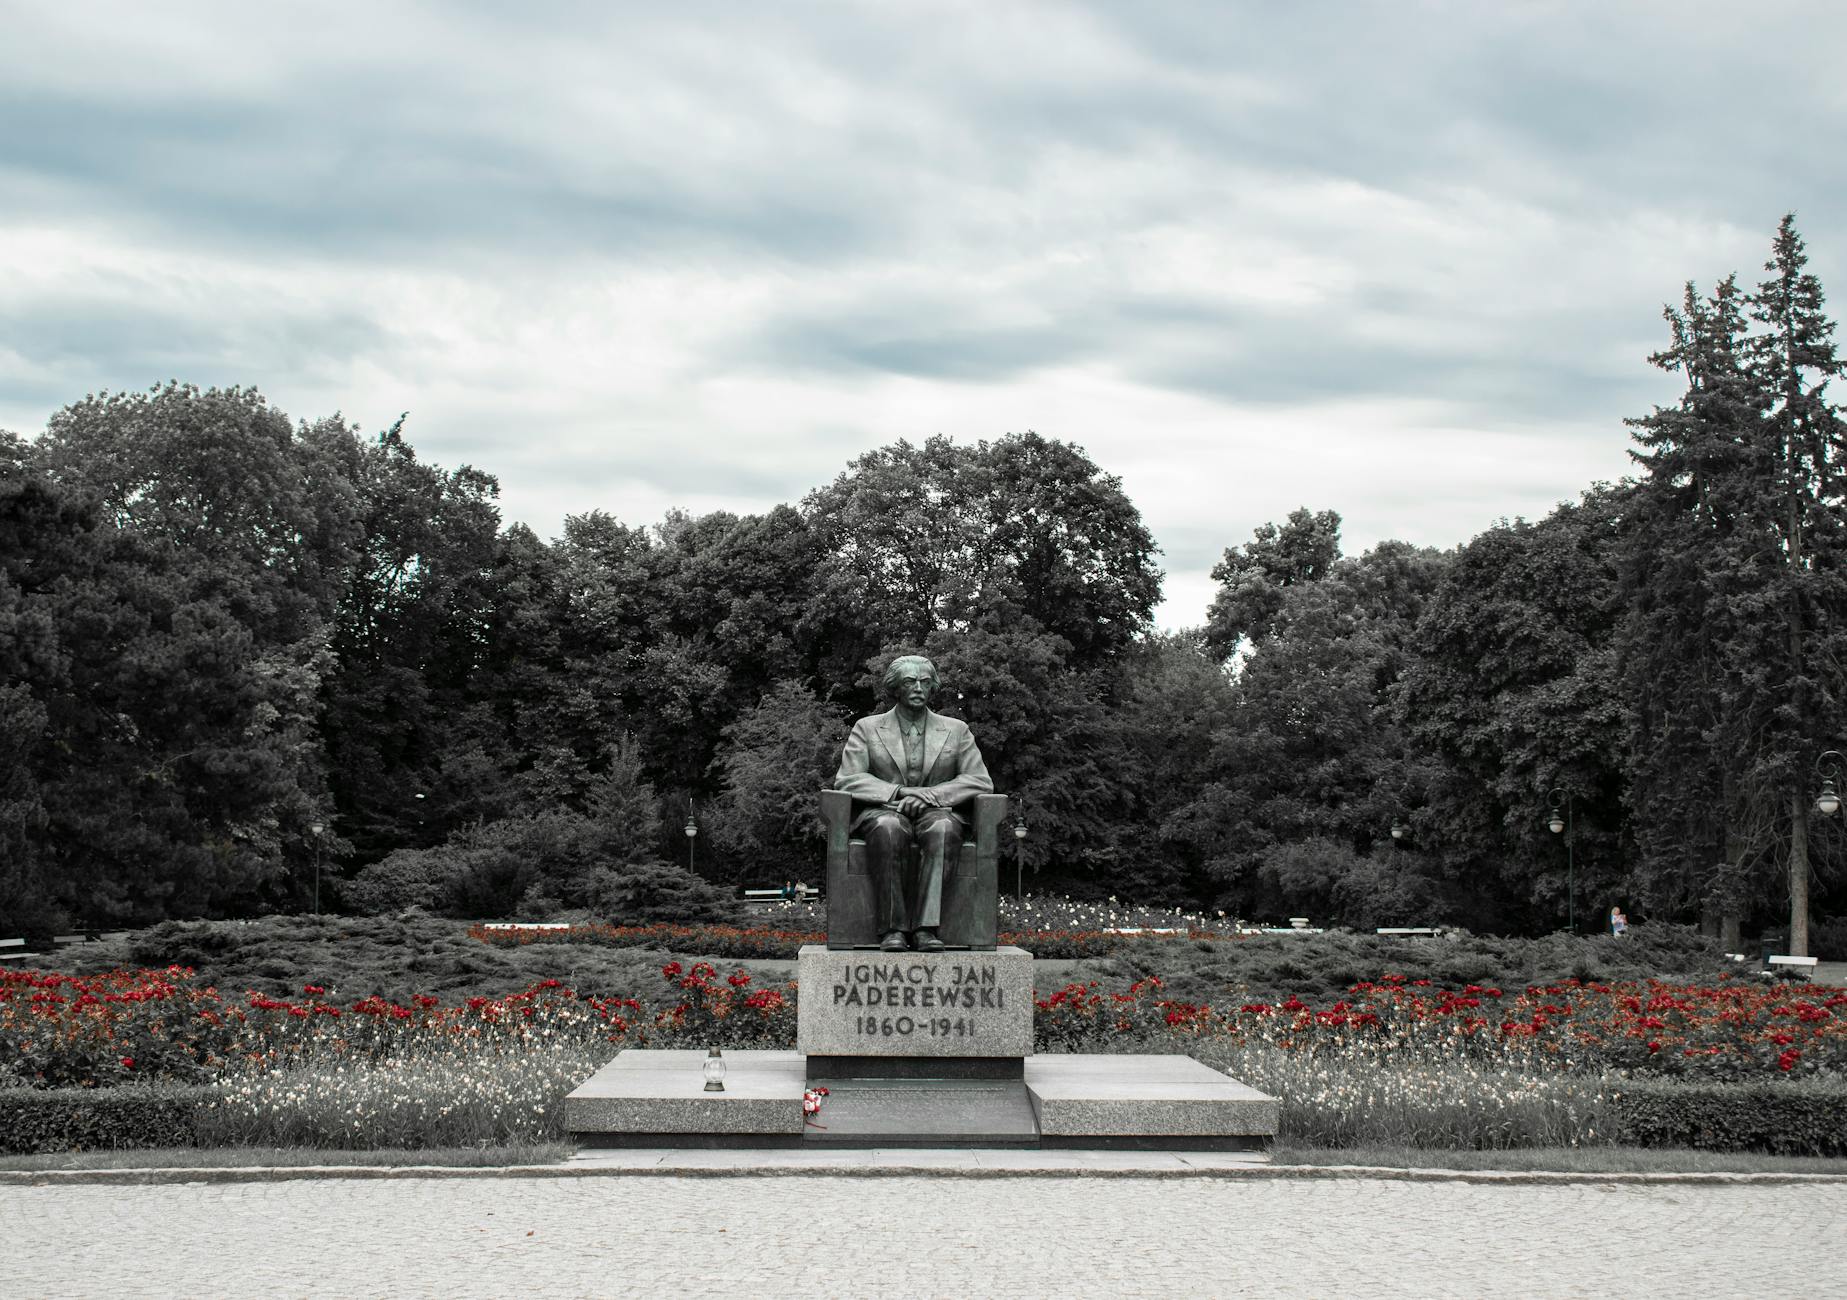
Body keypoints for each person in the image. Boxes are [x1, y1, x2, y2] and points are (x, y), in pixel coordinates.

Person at [833, 654, 992, 953]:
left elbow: (979, 780)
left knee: (944, 829)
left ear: (932, 687)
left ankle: (925, 929)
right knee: (889, 827)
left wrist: (932, 795)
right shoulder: (867, 728)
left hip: (939, 811)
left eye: (925, 681)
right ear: (895, 687)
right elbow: (848, 779)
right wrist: (901, 792)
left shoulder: (956, 730)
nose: (918, 687)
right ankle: (893, 929)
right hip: (885, 810)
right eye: (909, 681)